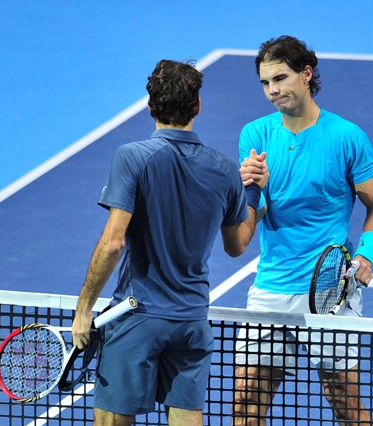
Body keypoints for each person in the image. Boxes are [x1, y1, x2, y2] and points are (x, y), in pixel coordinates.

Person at [71, 59, 268, 426]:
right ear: (197, 105)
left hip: (138, 316)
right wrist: (253, 191)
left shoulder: (133, 158)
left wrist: (84, 309)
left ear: (150, 106)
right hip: (192, 323)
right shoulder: (225, 169)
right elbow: (238, 245)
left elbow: (113, 243)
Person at [232, 36, 373, 426]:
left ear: (306, 75)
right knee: (243, 404)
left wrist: (365, 256)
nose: (272, 90)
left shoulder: (346, 137)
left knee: (345, 404)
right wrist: (250, 192)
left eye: (281, 78)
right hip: (271, 287)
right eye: (265, 83)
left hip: (328, 292)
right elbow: (251, 221)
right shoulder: (255, 136)